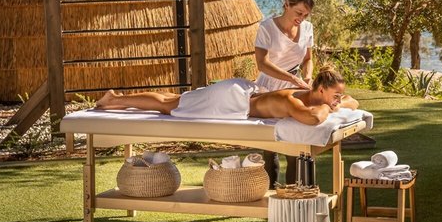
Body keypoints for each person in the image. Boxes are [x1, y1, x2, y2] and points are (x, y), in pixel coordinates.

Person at [95, 65, 358, 126]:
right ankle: (113, 100)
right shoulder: (292, 100)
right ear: (320, 90)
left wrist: (337, 102)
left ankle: (117, 98)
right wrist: (331, 108)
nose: (338, 101)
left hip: (240, 93)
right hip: (229, 99)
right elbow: (312, 119)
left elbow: (353, 102)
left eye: (339, 97)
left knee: (176, 98)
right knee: (168, 105)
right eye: (335, 95)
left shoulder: (313, 96)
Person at [254, 0, 315, 186]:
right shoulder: (267, 28)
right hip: (269, 88)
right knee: (270, 147)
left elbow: (308, 59)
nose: (301, 18)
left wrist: (307, 77)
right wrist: (292, 79)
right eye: (299, 13)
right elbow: (262, 64)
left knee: (294, 146)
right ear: (287, 4)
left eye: (305, 15)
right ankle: (268, 196)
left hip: (295, 89)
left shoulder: (307, 28)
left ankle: (292, 195)